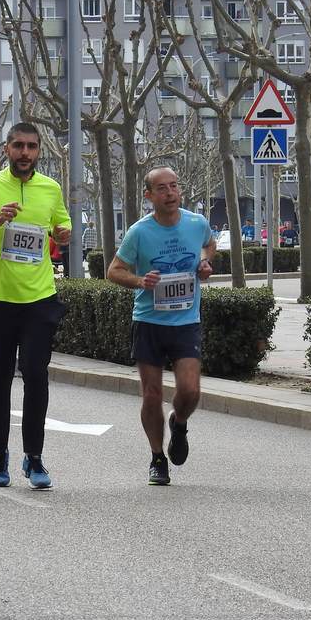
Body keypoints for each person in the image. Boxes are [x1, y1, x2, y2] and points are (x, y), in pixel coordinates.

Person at [0, 122, 71, 490]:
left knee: (36, 374)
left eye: (32, 146)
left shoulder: (50, 188)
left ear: (39, 151)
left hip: (39, 299)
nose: (25, 152)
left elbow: (61, 221)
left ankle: (34, 457)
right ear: (6, 149)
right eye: (18, 145)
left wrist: (64, 232)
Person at [106, 167, 215, 485]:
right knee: (151, 394)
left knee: (190, 390)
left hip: (185, 321)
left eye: (174, 186)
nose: (170, 193)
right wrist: (141, 281)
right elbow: (114, 270)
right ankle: (157, 458)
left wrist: (205, 263)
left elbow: (209, 245)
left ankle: (179, 423)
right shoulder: (139, 232)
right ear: (149, 195)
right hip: (149, 321)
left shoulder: (197, 223)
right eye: (162, 188)